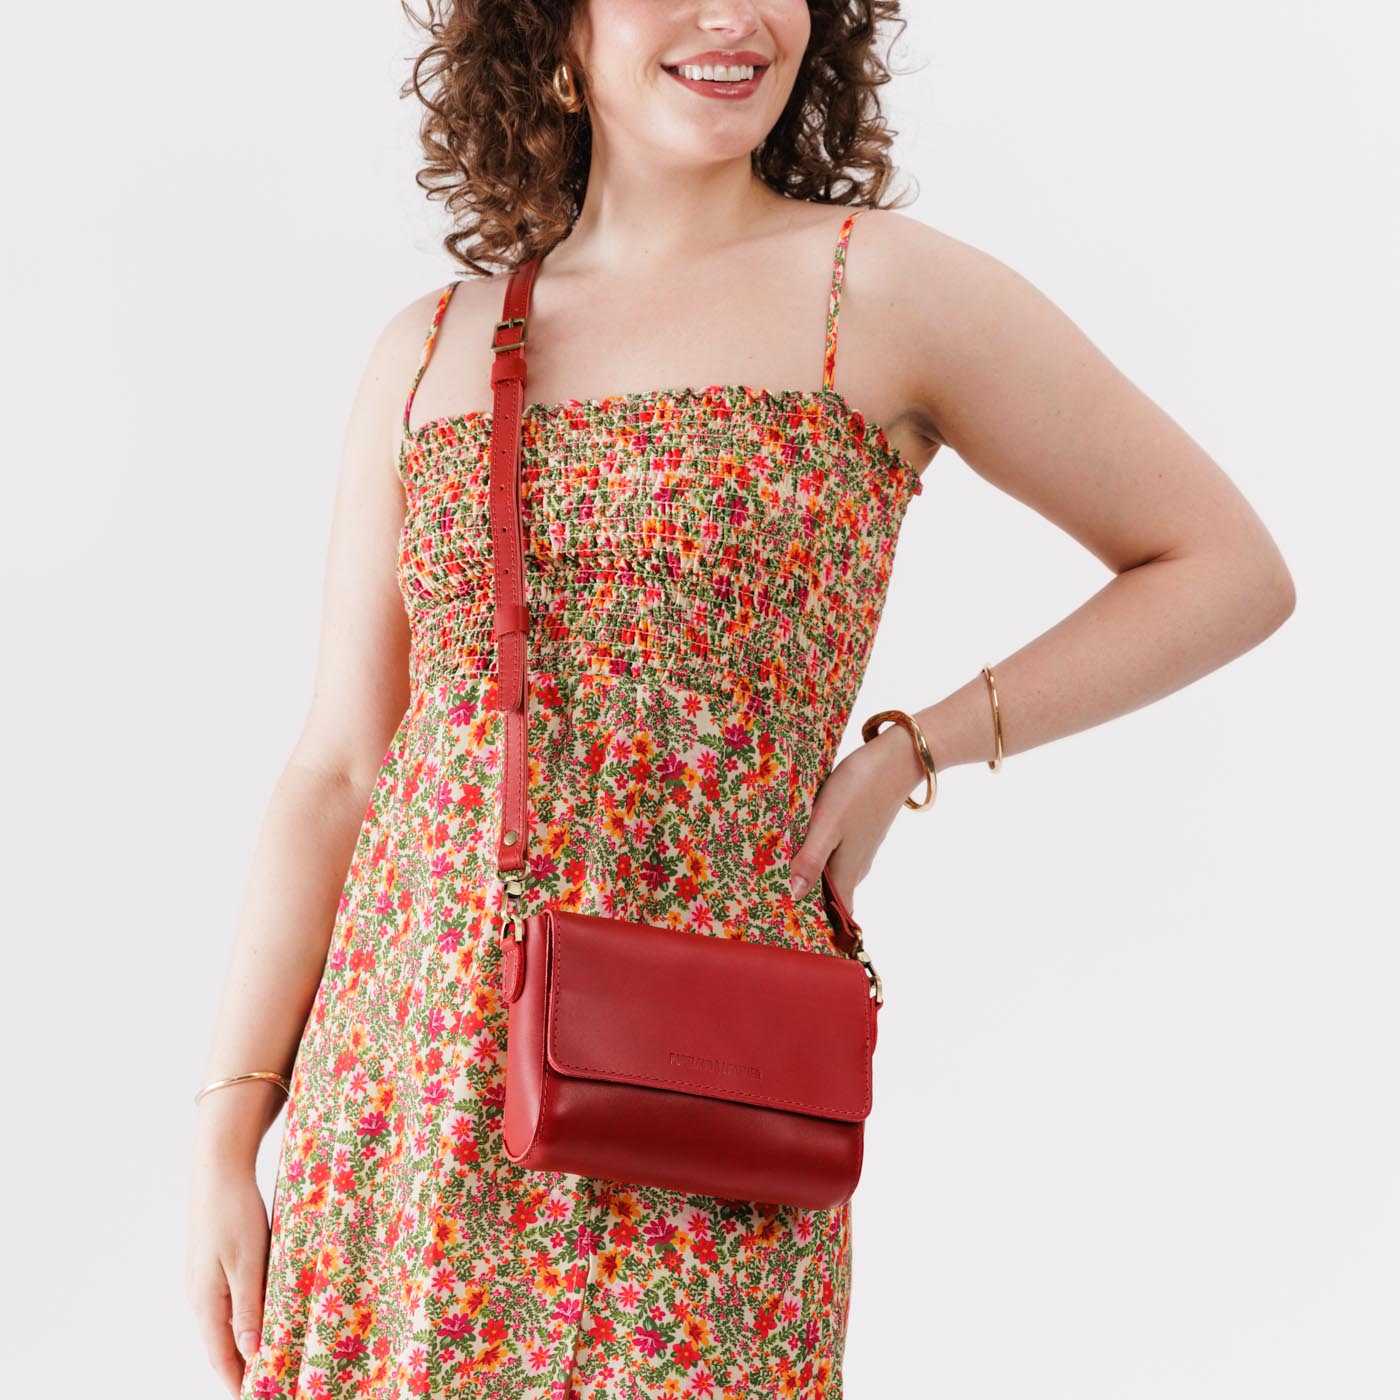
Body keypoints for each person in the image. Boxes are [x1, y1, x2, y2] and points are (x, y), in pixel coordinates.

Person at [185, 3, 1297, 1397]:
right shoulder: (433, 347)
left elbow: (1223, 568)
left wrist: (914, 750)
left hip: (699, 1111)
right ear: (553, 26)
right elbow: (341, 768)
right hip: (400, 1110)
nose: (734, 15)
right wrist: (228, 1133)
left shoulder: (874, 291)